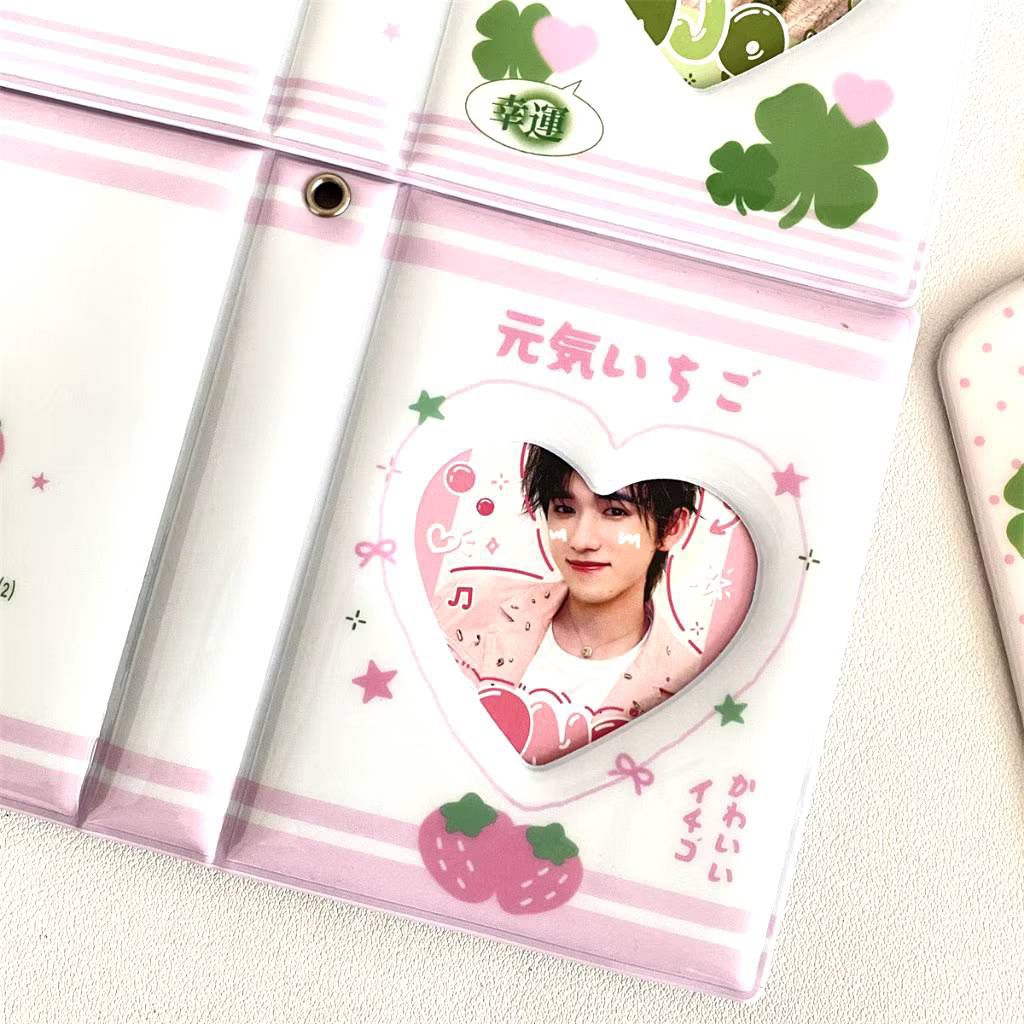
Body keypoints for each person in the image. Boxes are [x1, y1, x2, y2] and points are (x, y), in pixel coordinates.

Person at [434, 445, 701, 764]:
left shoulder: (691, 688)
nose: (581, 540)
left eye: (615, 511)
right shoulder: (467, 607)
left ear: (672, 527)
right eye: (564, 509)